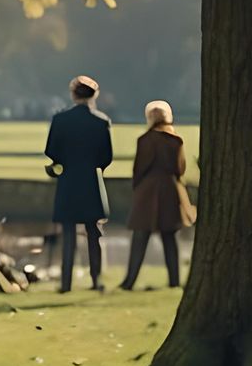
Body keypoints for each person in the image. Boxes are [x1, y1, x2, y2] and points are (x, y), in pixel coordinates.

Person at [44, 73, 113, 292]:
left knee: (68, 234)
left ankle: (65, 283)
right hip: (91, 180)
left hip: (69, 180)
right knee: (94, 232)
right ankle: (96, 280)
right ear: (94, 95)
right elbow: (106, 157)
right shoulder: (101, 122)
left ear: (73, 95)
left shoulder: (60, 120)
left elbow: (51, 150)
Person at [120, 98, 195, 290]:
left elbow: (139, 169)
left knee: (140, 238)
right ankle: (174, 281)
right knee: (170, 239)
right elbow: (180, 169)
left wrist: (137, 188)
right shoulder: (176, 140)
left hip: (148, 190)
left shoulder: (145, 140)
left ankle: (129, 280)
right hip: (170, 190)